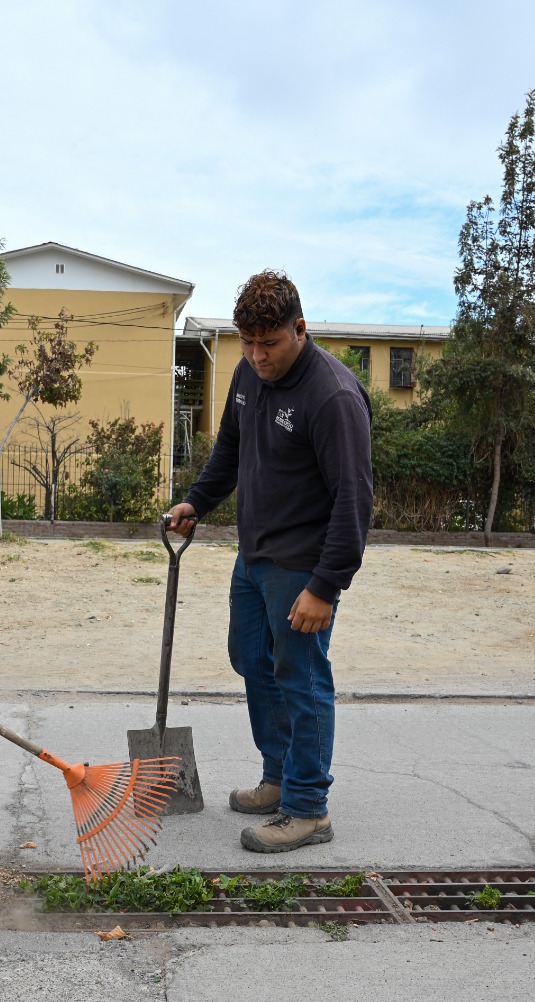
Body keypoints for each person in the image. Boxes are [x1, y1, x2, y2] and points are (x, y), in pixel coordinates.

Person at [169, 271, 372, 853]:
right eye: (247, 343)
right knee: (251, 659)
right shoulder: (246, 375)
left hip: (302, 567)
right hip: (253, 555)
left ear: (300, 330)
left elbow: (355, 501)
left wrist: (325, 587)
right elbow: (230, 451)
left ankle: (308, 808)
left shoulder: (331, 396)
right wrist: (196, 501)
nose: (257, 356)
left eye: (270, 344)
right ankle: (279, 776)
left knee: (302, 678)